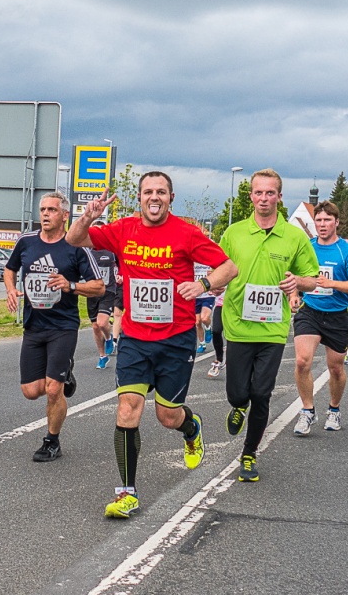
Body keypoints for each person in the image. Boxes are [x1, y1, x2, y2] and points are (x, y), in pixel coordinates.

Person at [66, 173, 235, 517]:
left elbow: (228, 267)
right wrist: (89, 215)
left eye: (160, 192)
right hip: (135, 337)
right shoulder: (123, 229)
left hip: (176, 339)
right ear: (140, 198)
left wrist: (202, 284)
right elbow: (73, 239)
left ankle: (191, 427)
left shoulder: (187, 233)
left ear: (171, 197)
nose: (153, 197)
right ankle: (126, 492)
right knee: (128, 408)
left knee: (167, 416)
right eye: (147, 192)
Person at [219, 169, 319, 483]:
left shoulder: (294, 237)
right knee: (238, 393)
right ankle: (237, 406)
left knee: (262, 394)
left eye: (270, 193)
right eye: (258, 193)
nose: (264, 199)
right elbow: (219, 268)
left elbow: (312, 280)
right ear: (250, 196)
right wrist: (206, 289)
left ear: (279, 196)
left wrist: (297, 281)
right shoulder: (234, 233)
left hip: (272, 328)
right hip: (237, 324)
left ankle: (249, 454)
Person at [6, 192, 104, 463]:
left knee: (52, 390)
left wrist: (70, 285)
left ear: (64, 216)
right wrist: (11, 289)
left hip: (63, 327)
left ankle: (51, 441)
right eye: (42, 209)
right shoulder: (26, 242)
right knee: (31, 391)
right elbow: (9, 268)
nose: (45, 214)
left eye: (51, 209)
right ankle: (66, 374)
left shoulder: (77, 246)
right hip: (34, 327)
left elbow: (99, 286)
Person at [291, 202, 348, 436]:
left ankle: (334, 409)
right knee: (303, 361)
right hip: (310, 310)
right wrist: (294, 295)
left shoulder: (347, 251)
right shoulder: (308, 247)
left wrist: (332, 283)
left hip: (337, 315)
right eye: (319, 221)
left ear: (336, 222)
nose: (322, 225)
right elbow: (294, 275)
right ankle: (307, 410)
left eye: (327, 220)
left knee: (335, 368)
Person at [86, 248, 119, 368]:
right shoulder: (87, 252)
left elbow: (122, 265)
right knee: (95, 326)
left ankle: (109, 337)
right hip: (92, 292)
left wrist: (120, 275)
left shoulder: (111, 251)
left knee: (101, 323)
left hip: (108, 290)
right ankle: (102, 356)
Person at [194, 264, 217, 353]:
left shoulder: (208, 260)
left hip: (208, 295)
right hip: (196, 295)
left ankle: (208, 327)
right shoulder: (192, 259)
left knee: (204, 318)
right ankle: (202, 344)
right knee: (197, 322)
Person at [206, 285, 226, 378]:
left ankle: (232, 358)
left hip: (237, 305)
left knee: (234, 333)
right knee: (216, 330)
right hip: (220, 304)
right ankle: (219, 359)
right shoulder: (221, 269)